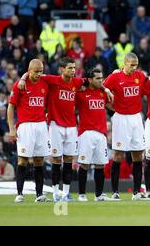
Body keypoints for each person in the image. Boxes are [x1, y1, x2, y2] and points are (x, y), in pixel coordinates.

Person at [17, 57, 113, 201]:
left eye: (74, 68)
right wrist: (23, 79)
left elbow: (93, 80)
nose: (73, 71)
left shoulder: (77, 82)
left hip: (71, 126)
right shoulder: (52, 80)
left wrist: (106, 89)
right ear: (62, 69)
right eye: (70, 68)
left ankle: (66, 193)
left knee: (68, 159)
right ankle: (55, 193)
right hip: (55, 125)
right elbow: (34, 73)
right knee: (56, 159)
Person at [103, 52, 148, 200]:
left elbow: (149, 88)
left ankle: (136, 192)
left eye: (136, 65)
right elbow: (101, 91)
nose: (134, 68)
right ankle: (115, 192)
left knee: (138, 154)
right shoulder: (115, 77)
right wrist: (111, 108)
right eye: (131, 65)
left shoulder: (140, 76)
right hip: (121, 118)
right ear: (124, 63)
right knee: (118, 154)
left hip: (136, 118)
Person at [7, 59, 51, 202]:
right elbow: (11, 107)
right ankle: (19, 193)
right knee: (23, 160)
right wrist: (11, 128)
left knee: (39, 160)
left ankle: (39, 194)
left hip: (41, 126)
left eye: (41, 71)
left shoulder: (45, 83)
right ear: (29, 70)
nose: (39, 74)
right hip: (25, 126)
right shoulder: (20, 85)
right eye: (36, 71)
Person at [76, 68, 115, 202]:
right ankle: (81, 194)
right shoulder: (81, 93)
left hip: (101, 133)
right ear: (90, 80)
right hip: (86, 132)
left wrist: (107, 89)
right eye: (97, 78)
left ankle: (99, 195)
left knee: (100, 165)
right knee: (84, 164)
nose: (100, 81)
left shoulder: (102, 93)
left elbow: (112, 106)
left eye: (101, 78)